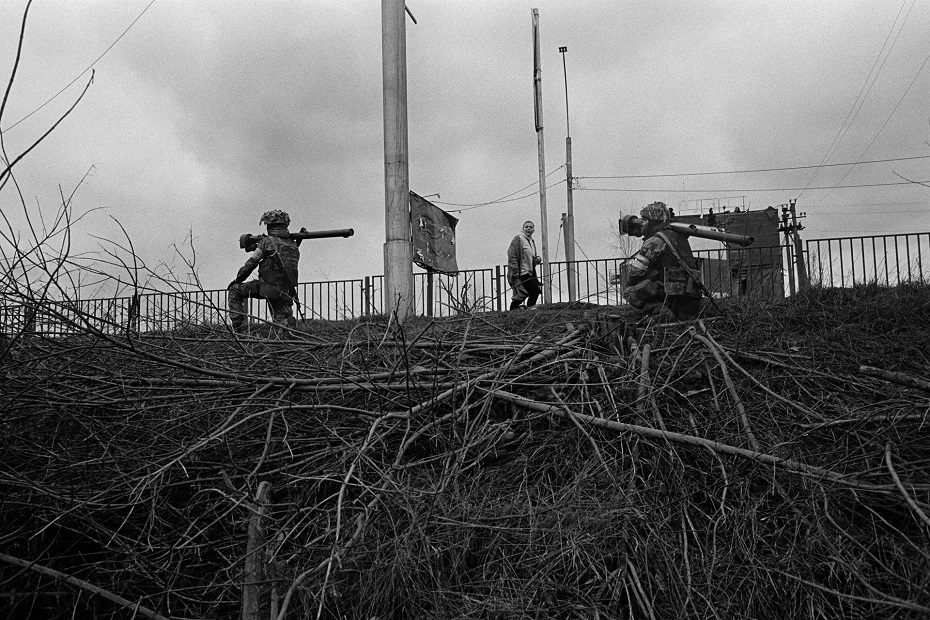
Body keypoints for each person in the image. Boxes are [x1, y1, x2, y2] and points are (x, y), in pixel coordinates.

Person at [624, 202, 702, 320]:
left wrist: (630, 283)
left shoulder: (655, 240)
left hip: (671, 290)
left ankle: (660, 313)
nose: (642, 224)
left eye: (644, 220)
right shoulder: (679, 235)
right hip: (690, 291)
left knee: (629, 292)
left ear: (651, 222)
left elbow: (636, 272)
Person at [228, 209, 303, 331]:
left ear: (270, 226)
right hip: (286, 287)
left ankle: (239, 328)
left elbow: (251, 264)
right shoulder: (293, 245)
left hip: (268, 286)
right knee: (281, 317)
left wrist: (238, 279)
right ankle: (287, 326)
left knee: (235, 290)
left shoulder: (266, 242)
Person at [507, 220, 542, 310]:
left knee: (522, 294)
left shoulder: (531, 241)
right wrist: (515, 271)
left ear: (533, 230)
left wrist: (536, 259)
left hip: (530, 272)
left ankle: (513, 310)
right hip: (521, 272)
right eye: (526, 227)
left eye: (531, 227)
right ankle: (530, 308)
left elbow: (530, 257)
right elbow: (512, 255)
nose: (528, 228)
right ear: (523, 229)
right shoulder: (518, 239)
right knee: (535, 291)